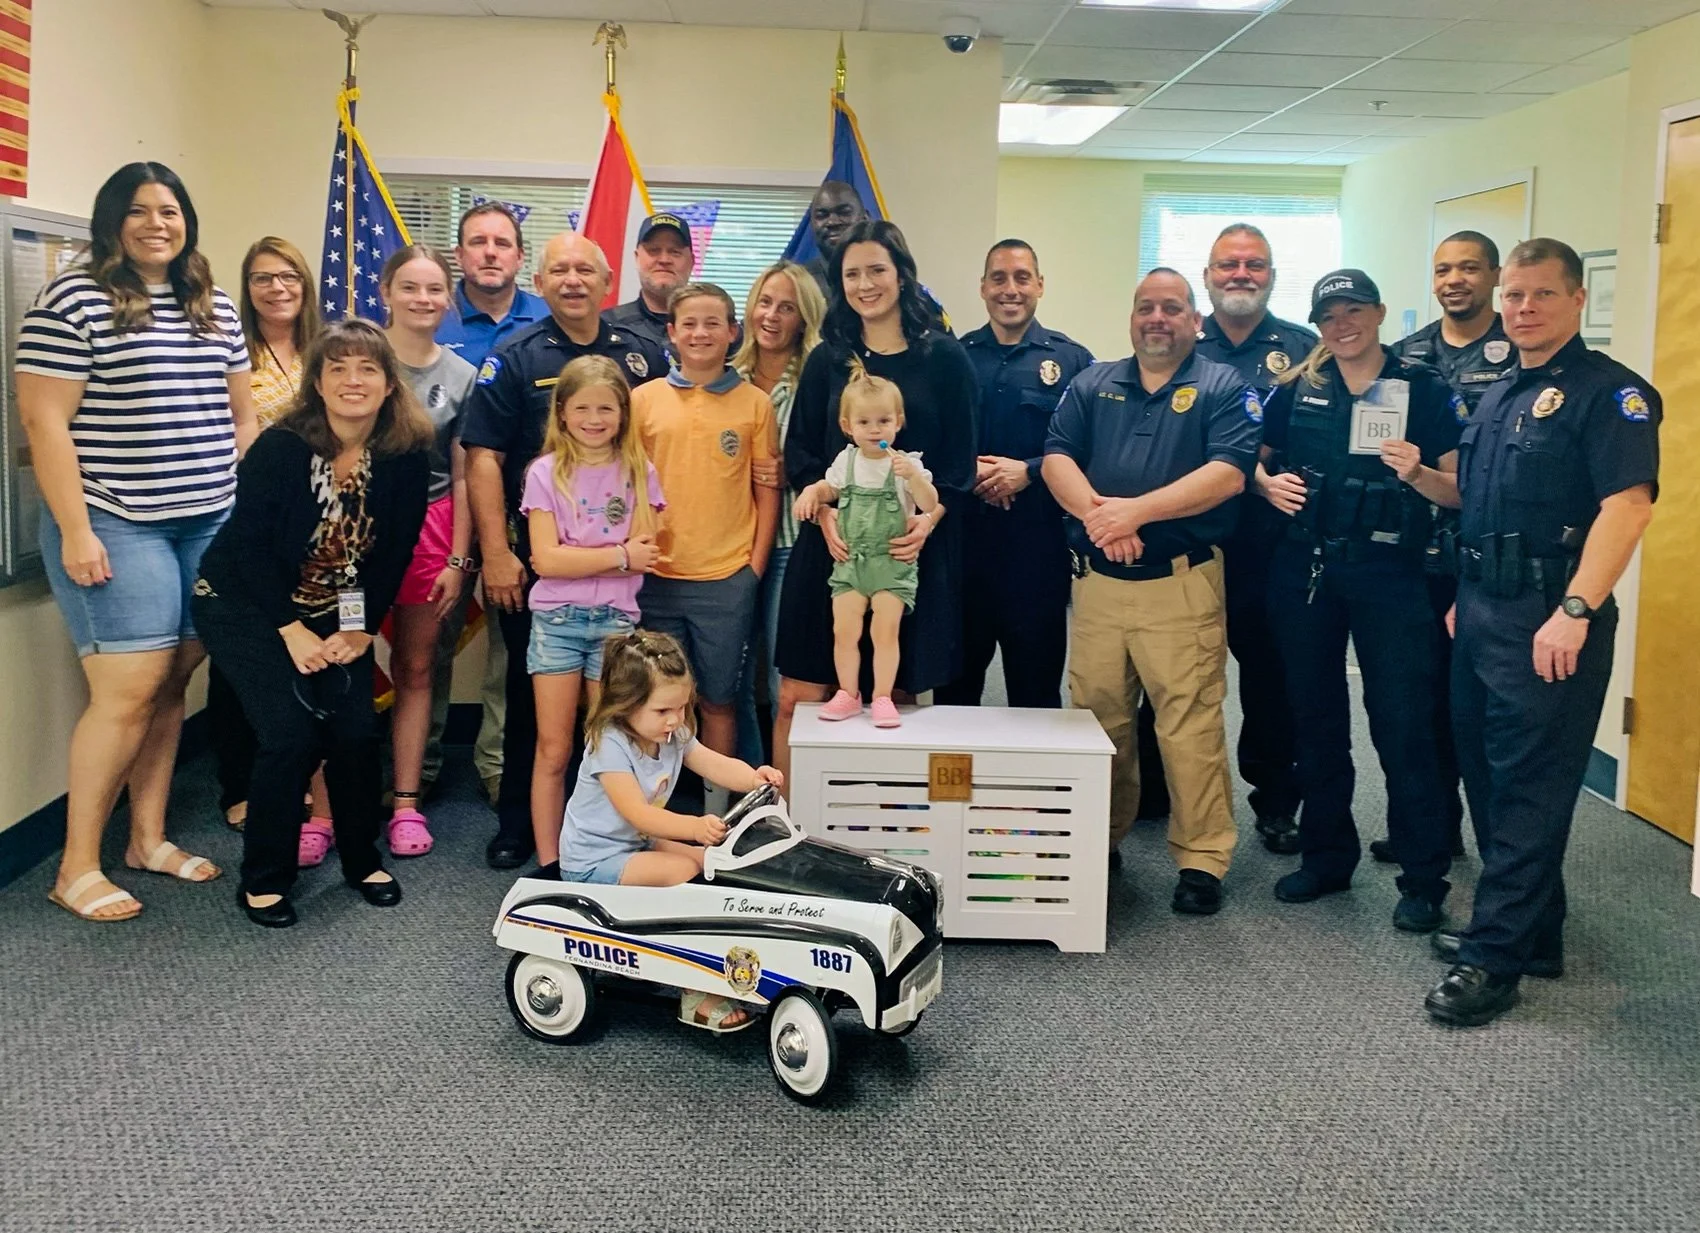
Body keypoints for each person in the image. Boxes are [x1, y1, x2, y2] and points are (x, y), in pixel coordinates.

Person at [1425, 239, 1660, 1027]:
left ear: (1577, 300)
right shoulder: (1499, 392)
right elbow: (1481, 502)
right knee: (1485, 775)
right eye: (1516, 296)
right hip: (1483, 604)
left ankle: (1492, 958)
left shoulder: (1611, 395)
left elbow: (1626, 507)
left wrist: (1578, 609)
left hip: (1552, 617)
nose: (1524, 309)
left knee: (1529, 786)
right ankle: (1535, 930)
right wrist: (1466, 591)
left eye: (1541, 296)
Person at [17, 162, 257, 923]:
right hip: (116, 518)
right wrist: (80, 528)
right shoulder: (73, 298)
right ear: (112, 219)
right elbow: (44, 421)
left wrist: (237, 504)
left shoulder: (211, 302)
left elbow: (242, 417)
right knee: (126, 690)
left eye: (171, 209)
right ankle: (74, 864)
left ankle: (146, 838)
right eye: (140, 210)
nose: (158, 222)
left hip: (206, 517)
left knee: (171, 679)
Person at [191, 319, 432, 928]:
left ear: (387, 383)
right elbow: (246, 550)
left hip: (334, 607)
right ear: (318, 382)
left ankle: (360, 858)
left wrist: (361, 629)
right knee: (291, 735)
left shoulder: (404, 455)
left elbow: (392, 552)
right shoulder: (281, 449)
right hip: (243, 602)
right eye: (338, 368)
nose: (353, 380)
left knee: (353, 731)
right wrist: (289, 629)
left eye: (367, 368)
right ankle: (265, 879)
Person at [1042, 268, 1259, 915]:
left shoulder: (1223, 385)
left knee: (1187, 724)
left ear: (1195, 319)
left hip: (1181, 585)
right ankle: (1098, 837)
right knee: (1097, 719)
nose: (1156, 318)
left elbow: (1228, 474)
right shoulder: (1093, 382)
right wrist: (1101, 520)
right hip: (1101, 586)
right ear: (1131, 318)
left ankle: (1201, 858)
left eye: (1171, 307)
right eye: (1145, 307)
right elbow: (1056, 457)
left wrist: (1135, 514)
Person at [1256, 269, 1464, 933]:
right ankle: (1327, 856)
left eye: (1353, 312)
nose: (1341, 326)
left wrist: (1418, 472)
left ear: (1377, 313)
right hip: (1309, 570)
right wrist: (1266, 487)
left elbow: (1458, 489)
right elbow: (1253, 460)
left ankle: (1424, 876)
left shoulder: (1423, 388)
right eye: (1328, 317)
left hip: (1391, 574)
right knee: (1314, 719)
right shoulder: (1299, 387)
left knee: (1404, 725)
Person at [460, 232, 666, 869]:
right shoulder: (515, 354)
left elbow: (660, 444)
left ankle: (606, 832)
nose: (572, 280)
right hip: (537, 568)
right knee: (530, 709)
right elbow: (484, 457)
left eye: (585, 269)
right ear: (540, 283)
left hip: (618, 588)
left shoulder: (640, 354)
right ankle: (520, 826)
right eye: (559, 270)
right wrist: (496, 553)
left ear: (608, 282)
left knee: (612, 719)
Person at [771, 219, 977, 788]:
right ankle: (781, 833)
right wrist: (829, 514)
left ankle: (882, 837)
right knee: (797, 696)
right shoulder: (827, 360)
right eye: (852, 273)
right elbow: (805, 454)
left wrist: (928, 522)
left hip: (907, 551)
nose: (866, 284)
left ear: (902, 276)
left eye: (877, 270)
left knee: (897, 701)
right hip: (834, 547)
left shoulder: (945, 358)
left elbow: (960, 465)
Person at [1160, 221, 1317, 856]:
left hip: (1268, 545)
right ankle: (1154, 793)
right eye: (1228, 265)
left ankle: (1276, 799)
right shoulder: (1176, 345)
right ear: (1207, 277)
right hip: (1188, 538)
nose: (1240, 275)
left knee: (1269, 677)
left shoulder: (1306, 350)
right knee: (1170, 672)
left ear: (1272, 277)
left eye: (1254, 265)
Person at [1376, 230, 1520, 865]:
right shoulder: (1404, 357)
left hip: (1489, 559)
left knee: (1481, 714)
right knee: (1416, 705)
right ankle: (1429, 831)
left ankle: (1499, 850)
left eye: (1468, 268)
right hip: (1411, 557)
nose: (1453, 279)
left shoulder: (1523, 355)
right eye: (1442, 269)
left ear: (1492, 275)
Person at [560, 629, 783, 1030]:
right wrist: (694, 827)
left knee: (713, 864)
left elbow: (715, 763)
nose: (676, 719)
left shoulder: (673, 734)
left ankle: (714, 958)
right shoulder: (608, 745)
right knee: (681, 874)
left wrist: (754, 778)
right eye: (663, 711)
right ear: (625, 705)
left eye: (681, 707)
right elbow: (638, 815)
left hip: (635, 846)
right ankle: (693, 991)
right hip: (594, 860)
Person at [935, 239, 1093, 709]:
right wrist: (972, 471)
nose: (1011, 289)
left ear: (1040, 285)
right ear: (983, 287)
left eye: (1022, 278)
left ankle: (1032, 786)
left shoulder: (1073, 362)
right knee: (954, 695)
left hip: (1037, 555)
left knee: (1035, 692)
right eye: (999, 278)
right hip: (965, 553)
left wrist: (1030, 471)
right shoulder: (953, 358)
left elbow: (1093, 449)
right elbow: (929, 442)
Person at [522, 356, 663, 869]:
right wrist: (618, 555)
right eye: (582, 408)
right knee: (554, 750)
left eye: (606, 408)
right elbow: (546, 560)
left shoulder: (638, 472)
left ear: (623, 414)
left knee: (610, 751)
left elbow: (648, 550)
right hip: (556, 626)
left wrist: (591, 559)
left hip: (614, 625)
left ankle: (607, 855)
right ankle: (550, 864)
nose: (595, 418)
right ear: (562, 414)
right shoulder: (544, 473)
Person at [630, 283, 779, 757]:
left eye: (713, 323)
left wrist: (753, 568)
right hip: (657, 578)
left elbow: (766, 488)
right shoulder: (644, 400)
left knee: (718, 700)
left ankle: (720, 820)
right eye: (689, 324)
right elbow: (629, 483)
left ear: (733, 332)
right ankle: (661, 813)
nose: (700, 333)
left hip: (725, 579)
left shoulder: (755, 403)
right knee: (656, 702)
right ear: (671, 333)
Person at [435, 202, 548, 808]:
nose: (489, 252)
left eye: (502, 243)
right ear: (460, 255)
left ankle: (500, 768)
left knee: (513, 649)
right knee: (429, 644)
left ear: (519, 257)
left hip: (520, 511)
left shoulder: (547, 321)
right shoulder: (436, 313)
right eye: (477, 242)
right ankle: (416, 771)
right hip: (437, 511)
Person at [209, 236, 322, 832]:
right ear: (246, 289)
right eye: (261, 278)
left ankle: (300, 778)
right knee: (242, 661)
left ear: (304, 284)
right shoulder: (230, 350)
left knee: (304, 658)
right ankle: (239, 783)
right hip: (246, 520)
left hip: (313, 531)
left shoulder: (325, 351)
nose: (276, 288)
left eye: (287, 277)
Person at [378, 244, 478, 859]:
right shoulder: (355, 356)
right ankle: (327, 807)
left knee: (417, 669)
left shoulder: (461, 377)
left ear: (449, 298)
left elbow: (465, 475)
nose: (422, 299)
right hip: (355, 531)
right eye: (409, 287)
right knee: (339, 668)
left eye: (434, 289)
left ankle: (406, 804)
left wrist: (458, 559)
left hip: (431, 531)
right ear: (386, 291)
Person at [793, 360, 940, 728]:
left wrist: (915, 480)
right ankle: (848, 692)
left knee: (884, 631)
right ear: (847, 427)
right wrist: (813, 491)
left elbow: (930, 504)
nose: (875, 430)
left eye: (883, 421)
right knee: (844, 629)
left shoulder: (907, 463)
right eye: (864, 423)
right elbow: (831, 488)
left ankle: (883, 697)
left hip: (892, 563)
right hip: (851, 562)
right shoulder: (848, 460)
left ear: (898, 421)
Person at [730, 261, 826, 766]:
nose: (772, 315)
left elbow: (839, 459)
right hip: (730, 545)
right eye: (765, 302)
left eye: (787, 307)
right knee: (732, 679)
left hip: (793, 544)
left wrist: (792, 468)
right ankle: (751, 788)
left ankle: (788, 800)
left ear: (805, 317)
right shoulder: (725, 375)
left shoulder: (818, 379)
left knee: (784, 679)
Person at [798, 182, 948, 331]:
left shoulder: (912, 294)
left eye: (844, 212)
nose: (832, 222)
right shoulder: (798, 286)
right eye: (821, 215)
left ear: (865, 219)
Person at [602, 212, 693, 356]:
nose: (664, 260)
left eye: (675, 252)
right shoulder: (605, 327)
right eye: (654, 250)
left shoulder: (713, 331)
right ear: (637, 257)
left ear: (691, 262)